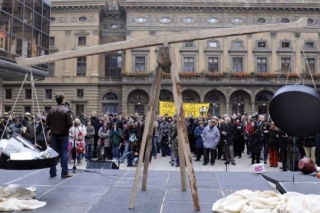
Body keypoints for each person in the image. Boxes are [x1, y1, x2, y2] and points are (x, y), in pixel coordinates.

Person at [46, 93, 73, 178]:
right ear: (63, 99)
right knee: (64, 153)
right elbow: (70, 124)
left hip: (54, 135)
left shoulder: (51, 109)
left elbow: (47, 123)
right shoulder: (66, 110)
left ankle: (52, 172)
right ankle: (64, 172)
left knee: (53, 153)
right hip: (64, 135)